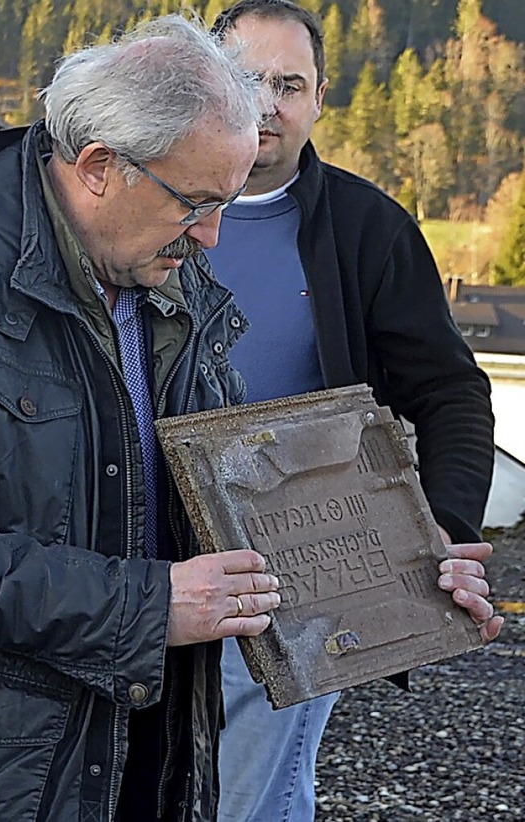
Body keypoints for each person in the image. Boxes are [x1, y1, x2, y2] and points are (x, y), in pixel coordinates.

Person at [0, 15, 285, 821]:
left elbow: (218, 497)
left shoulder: (170, 270)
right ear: (100, 166)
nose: (211, 236)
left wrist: (402, 569)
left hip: (153, 749)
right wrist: (144, 607)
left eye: (229, 204)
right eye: (196, 202)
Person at [207, 2, 503, 821]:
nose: (266, 104)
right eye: (244, 80)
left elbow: (450, 392)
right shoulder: (136, 208)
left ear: (320, 98)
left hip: (291, 586)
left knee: (248, 805)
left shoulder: (366, 229)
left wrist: (440, 523)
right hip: (131, 571)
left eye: (288, 84)